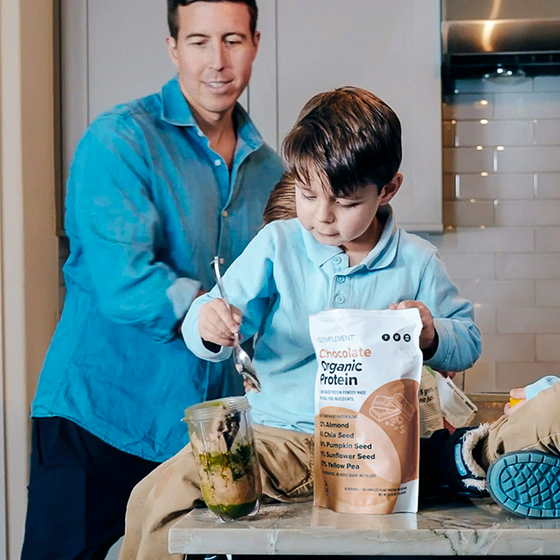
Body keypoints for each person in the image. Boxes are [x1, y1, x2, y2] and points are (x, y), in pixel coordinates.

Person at [117, 87, 559, 560]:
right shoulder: (277, 244)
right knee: (150, 496)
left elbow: (468, 341)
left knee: (175, 486)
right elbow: (206, 316)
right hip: (277, 434)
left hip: (372, 447)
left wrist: (431, 333)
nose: (322, 218)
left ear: (387, 189)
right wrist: (210, 324)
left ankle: (476, 457)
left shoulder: (417, 261)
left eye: (344, 203)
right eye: (307, 195)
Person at [21, 1, 284, 559]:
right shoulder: (119, 141)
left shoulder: (274, 175)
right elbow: (123, 280)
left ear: (256, 43)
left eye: (233, 39)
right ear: (173, 48)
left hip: (204, 440)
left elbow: (282, 291)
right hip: (101, 417)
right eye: (198, 41)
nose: (218, 61)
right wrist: (205, 309)